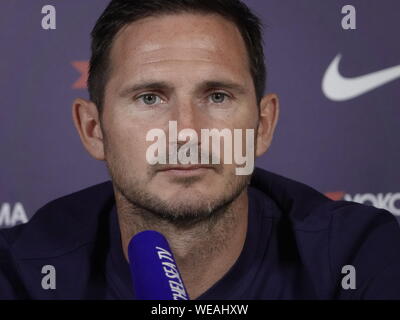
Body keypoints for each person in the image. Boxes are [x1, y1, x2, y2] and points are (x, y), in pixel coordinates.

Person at [1, 0, 400, 300]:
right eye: (150, 98)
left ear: (263, 125)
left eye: (218, 96)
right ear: (93, 130)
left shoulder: (356, 256)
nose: (187, 132)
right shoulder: (21, 273)